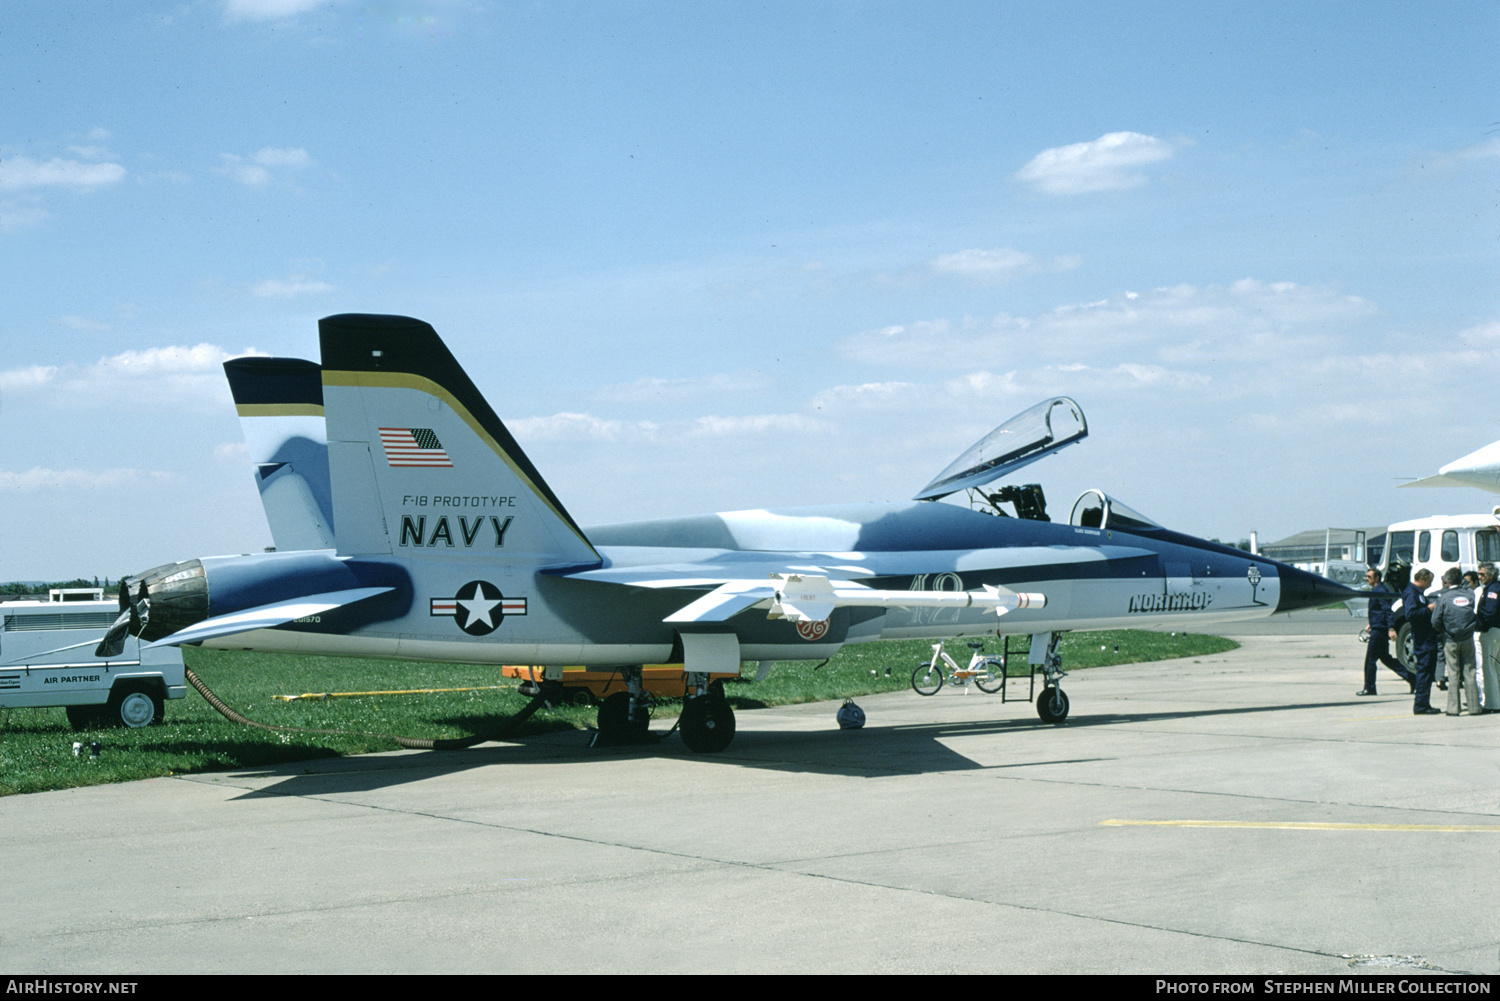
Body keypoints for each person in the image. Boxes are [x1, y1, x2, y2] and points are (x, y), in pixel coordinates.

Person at [1431, 567, 1481, 716]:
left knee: (1453, 673)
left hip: (1451, 638)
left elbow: (1435, 619)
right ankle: (1474, 707)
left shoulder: (1444, 597)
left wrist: (1442, 631)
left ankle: (1453, 708)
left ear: (1447, 581)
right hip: (1467, 637)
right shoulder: (1470, 595)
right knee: (1470, 672)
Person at [1356, 567, 1413, 696]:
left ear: (1377, 578)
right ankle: (1411, 677)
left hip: (1380, 631)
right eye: (1366, 576)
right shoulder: (1377, 590)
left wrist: (1391, 628)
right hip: (1378, 626)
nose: (1367, 579)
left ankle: (1369, 688)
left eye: (1369, 577)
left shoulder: (1380, 591)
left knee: (1370, 659)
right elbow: (1379, 611)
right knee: (1385, 658)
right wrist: (1372, 623)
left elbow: (1387, 610)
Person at [1400, 568, 1441, 714]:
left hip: (1427, 638)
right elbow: (1411, 614)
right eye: (1429, 581)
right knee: (1424, 671)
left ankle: (1424, 702)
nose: (1430, 585)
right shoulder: (1411, 593)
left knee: (1428, 672)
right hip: (1422, 640)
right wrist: (1429, 609)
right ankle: (1420, 705)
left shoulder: (1418, 593)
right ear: (1422, 579)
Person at [1473, 562, 1500, 712]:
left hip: (1492, 631)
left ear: (1490, 575)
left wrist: (1480, 624)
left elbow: (1490, 611)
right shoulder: (1492, 587)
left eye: (1482, 574)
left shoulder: (1493, 589)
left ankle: (1492, 704)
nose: (1480, 577)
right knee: (1496, 667)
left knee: (1489, 668)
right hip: (1496, 630)